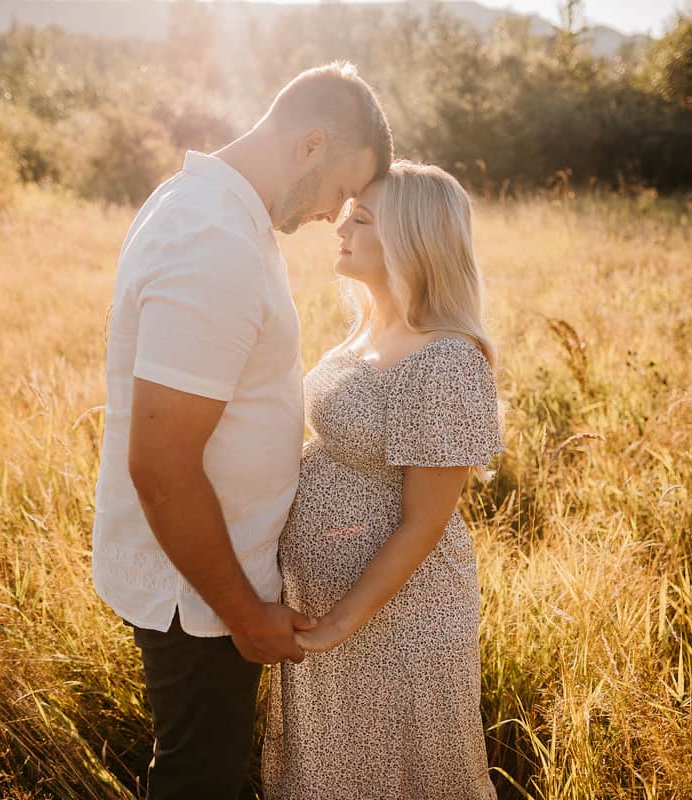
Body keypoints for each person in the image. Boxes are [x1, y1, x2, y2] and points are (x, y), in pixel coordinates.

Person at [90, 62, 393, 800]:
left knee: (200, 770)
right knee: (202, 782)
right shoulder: (213, 237)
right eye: (340, 189)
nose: (335, 213)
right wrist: (245, 615)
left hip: (207, 580)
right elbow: (162, 464)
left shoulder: (213, 210)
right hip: (200, 597)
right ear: (311, 144)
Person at [261, 161, 504, 800]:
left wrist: (342, 621)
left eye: (362, 218)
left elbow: (425, 522)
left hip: (398, 621)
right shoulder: (370, 327)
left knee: (395, 776)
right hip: (332, 611)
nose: (340, 223)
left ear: (412, 239)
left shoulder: (446, 358)